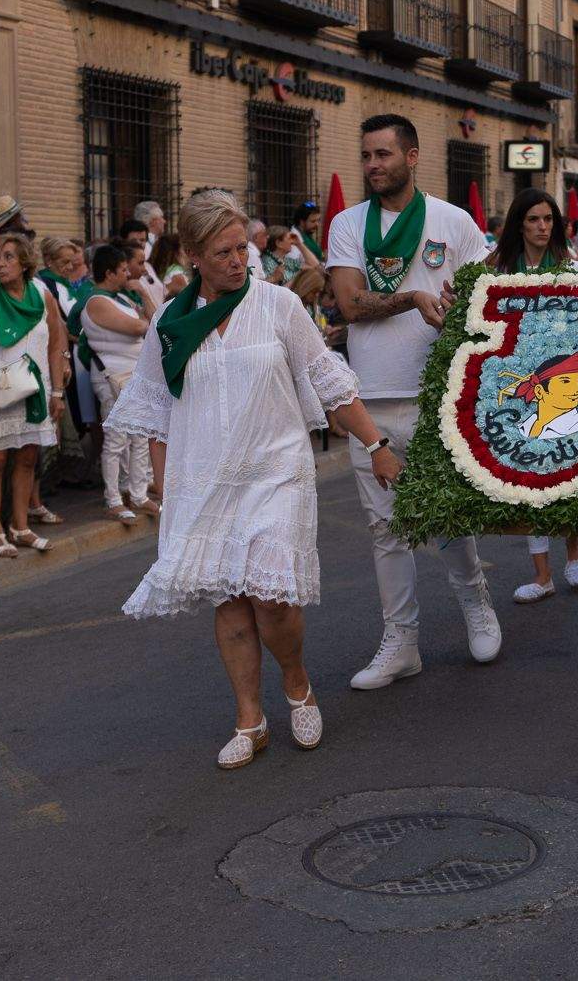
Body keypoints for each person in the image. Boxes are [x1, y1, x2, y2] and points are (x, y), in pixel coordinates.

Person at [109, 190, 403, 768]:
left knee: (270, 596)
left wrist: (377, 443)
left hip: (275, 469)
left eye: (241, 247)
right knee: (231, 600)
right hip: (205, 477)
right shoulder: (170, 321)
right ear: (191, 254)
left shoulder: (277, 306)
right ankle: (250, 717)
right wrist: (167, 492)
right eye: (221, 251)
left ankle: (297, 683)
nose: (236, 260)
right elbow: (155, 415)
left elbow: (328, 379)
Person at [325, 113, 501, 688]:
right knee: (386, 529)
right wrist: (410, 298)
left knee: (447, 511)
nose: (374, 165)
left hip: (436, 393)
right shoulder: (349, 224)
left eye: (383, 154)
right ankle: (401, 641)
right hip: (368, 399)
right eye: (367, 156)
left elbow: (484, 307)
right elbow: (349, 304)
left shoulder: (455, 223)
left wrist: (460, 305)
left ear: (413, 155)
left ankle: (475, 600)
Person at [489, 189, 578, 605]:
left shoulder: (572, 267)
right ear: (519, 224)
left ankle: (574, 546)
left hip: (562, 380)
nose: (541, 227)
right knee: (527, 473)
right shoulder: (495, 267)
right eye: (533, 220)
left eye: (548, 219)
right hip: (516, 380)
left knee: (564, 467)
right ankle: (542, 574)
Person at [0, 233, 67, 557]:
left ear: (25, 263)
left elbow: (55, 344)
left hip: (35, 390)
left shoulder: (42, 293)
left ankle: (20, 526)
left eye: (9, 257)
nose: (0, 263)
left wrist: (57, 391)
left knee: (27, 455)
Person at [83, 242, 153, 524]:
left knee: (139, 437)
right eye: (124, 269)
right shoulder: (97, 301)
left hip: (134, 375)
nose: (129, 274)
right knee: (116, 440)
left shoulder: (121, 298)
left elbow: (155, 317)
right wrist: (146, 321)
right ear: (109, 273)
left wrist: (144, 293)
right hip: (114, 377)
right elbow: (138, 326)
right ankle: (113, 498)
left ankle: (138, 494)